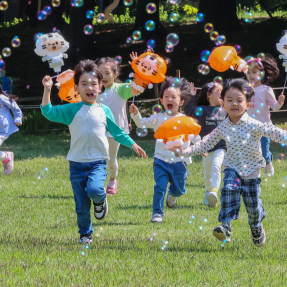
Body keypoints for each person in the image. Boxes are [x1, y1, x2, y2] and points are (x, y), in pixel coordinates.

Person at [175, 78, 287, 246]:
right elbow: (205, 144)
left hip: (252, 170)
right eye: (229, 100)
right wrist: (184, 151)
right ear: (222, 103)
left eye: (239, 100)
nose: (234, 104)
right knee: (227, 192)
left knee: (252, 205)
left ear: (248, 104)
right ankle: (225, 227)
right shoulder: (223, 127)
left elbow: (275, 132)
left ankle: (256, 226)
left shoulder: (254, 124)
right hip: (232, 168)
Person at [41, 60, 147, 245]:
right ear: (76, 88)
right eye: (84, 84)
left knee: (95, 189)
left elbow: (117, 132)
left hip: (98, 162)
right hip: (76, 164)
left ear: (100, 87)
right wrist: (48, 89)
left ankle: (100, 200)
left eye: (93, 84)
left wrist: (132, 144)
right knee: (81, 205)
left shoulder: (104, 110)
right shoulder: (71, 109)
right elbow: (48, 112)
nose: (89, 87)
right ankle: (85, 234)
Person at [130, 76, 194, 223]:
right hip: (161, 160)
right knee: (160, 186)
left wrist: (200, 147)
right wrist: (135, 114)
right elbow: (141, 123)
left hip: (179, 161)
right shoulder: (158, 118)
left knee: (179, 190)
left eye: (174, 97)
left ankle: (172, 194)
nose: (169, 99)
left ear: (181, 101)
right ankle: (157, 213)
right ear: (162, 101)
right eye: (166, 97)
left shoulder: (185, 120)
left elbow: (194, 135)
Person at [96, 57, 135, 196]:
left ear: (115, 74)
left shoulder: (121, 89)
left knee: (111, 160)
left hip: (115, 132)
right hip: (97, 131)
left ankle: (112, 181)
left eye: (107, 73)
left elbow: (138, 86)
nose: (103, 77)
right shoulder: (94, 90)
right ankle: (98, 182)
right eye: (100, 73)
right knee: (97, 158)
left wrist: (137, 67)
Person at [184, 80, 226, 208]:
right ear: (209, 96)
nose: (222, 93)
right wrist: (191, 96)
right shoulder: (202, 110)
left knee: (216, 165)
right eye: (218, 91)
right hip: (206, 147)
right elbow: (188, 111)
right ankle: (208, 193)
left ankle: (214, 191)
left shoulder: (226, 110)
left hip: (221, 146)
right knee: (207, 172)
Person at [245, 56, 285, 177]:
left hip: (264, 127)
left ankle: (268, 160)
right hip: (249, 127)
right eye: (248, 72)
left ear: (262, 73)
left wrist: (280, 102)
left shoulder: (266, 89)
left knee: (263, 151)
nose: (251, 75)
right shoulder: (245, 89)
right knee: (250, 151)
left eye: (254, 72)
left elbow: (274, 107)